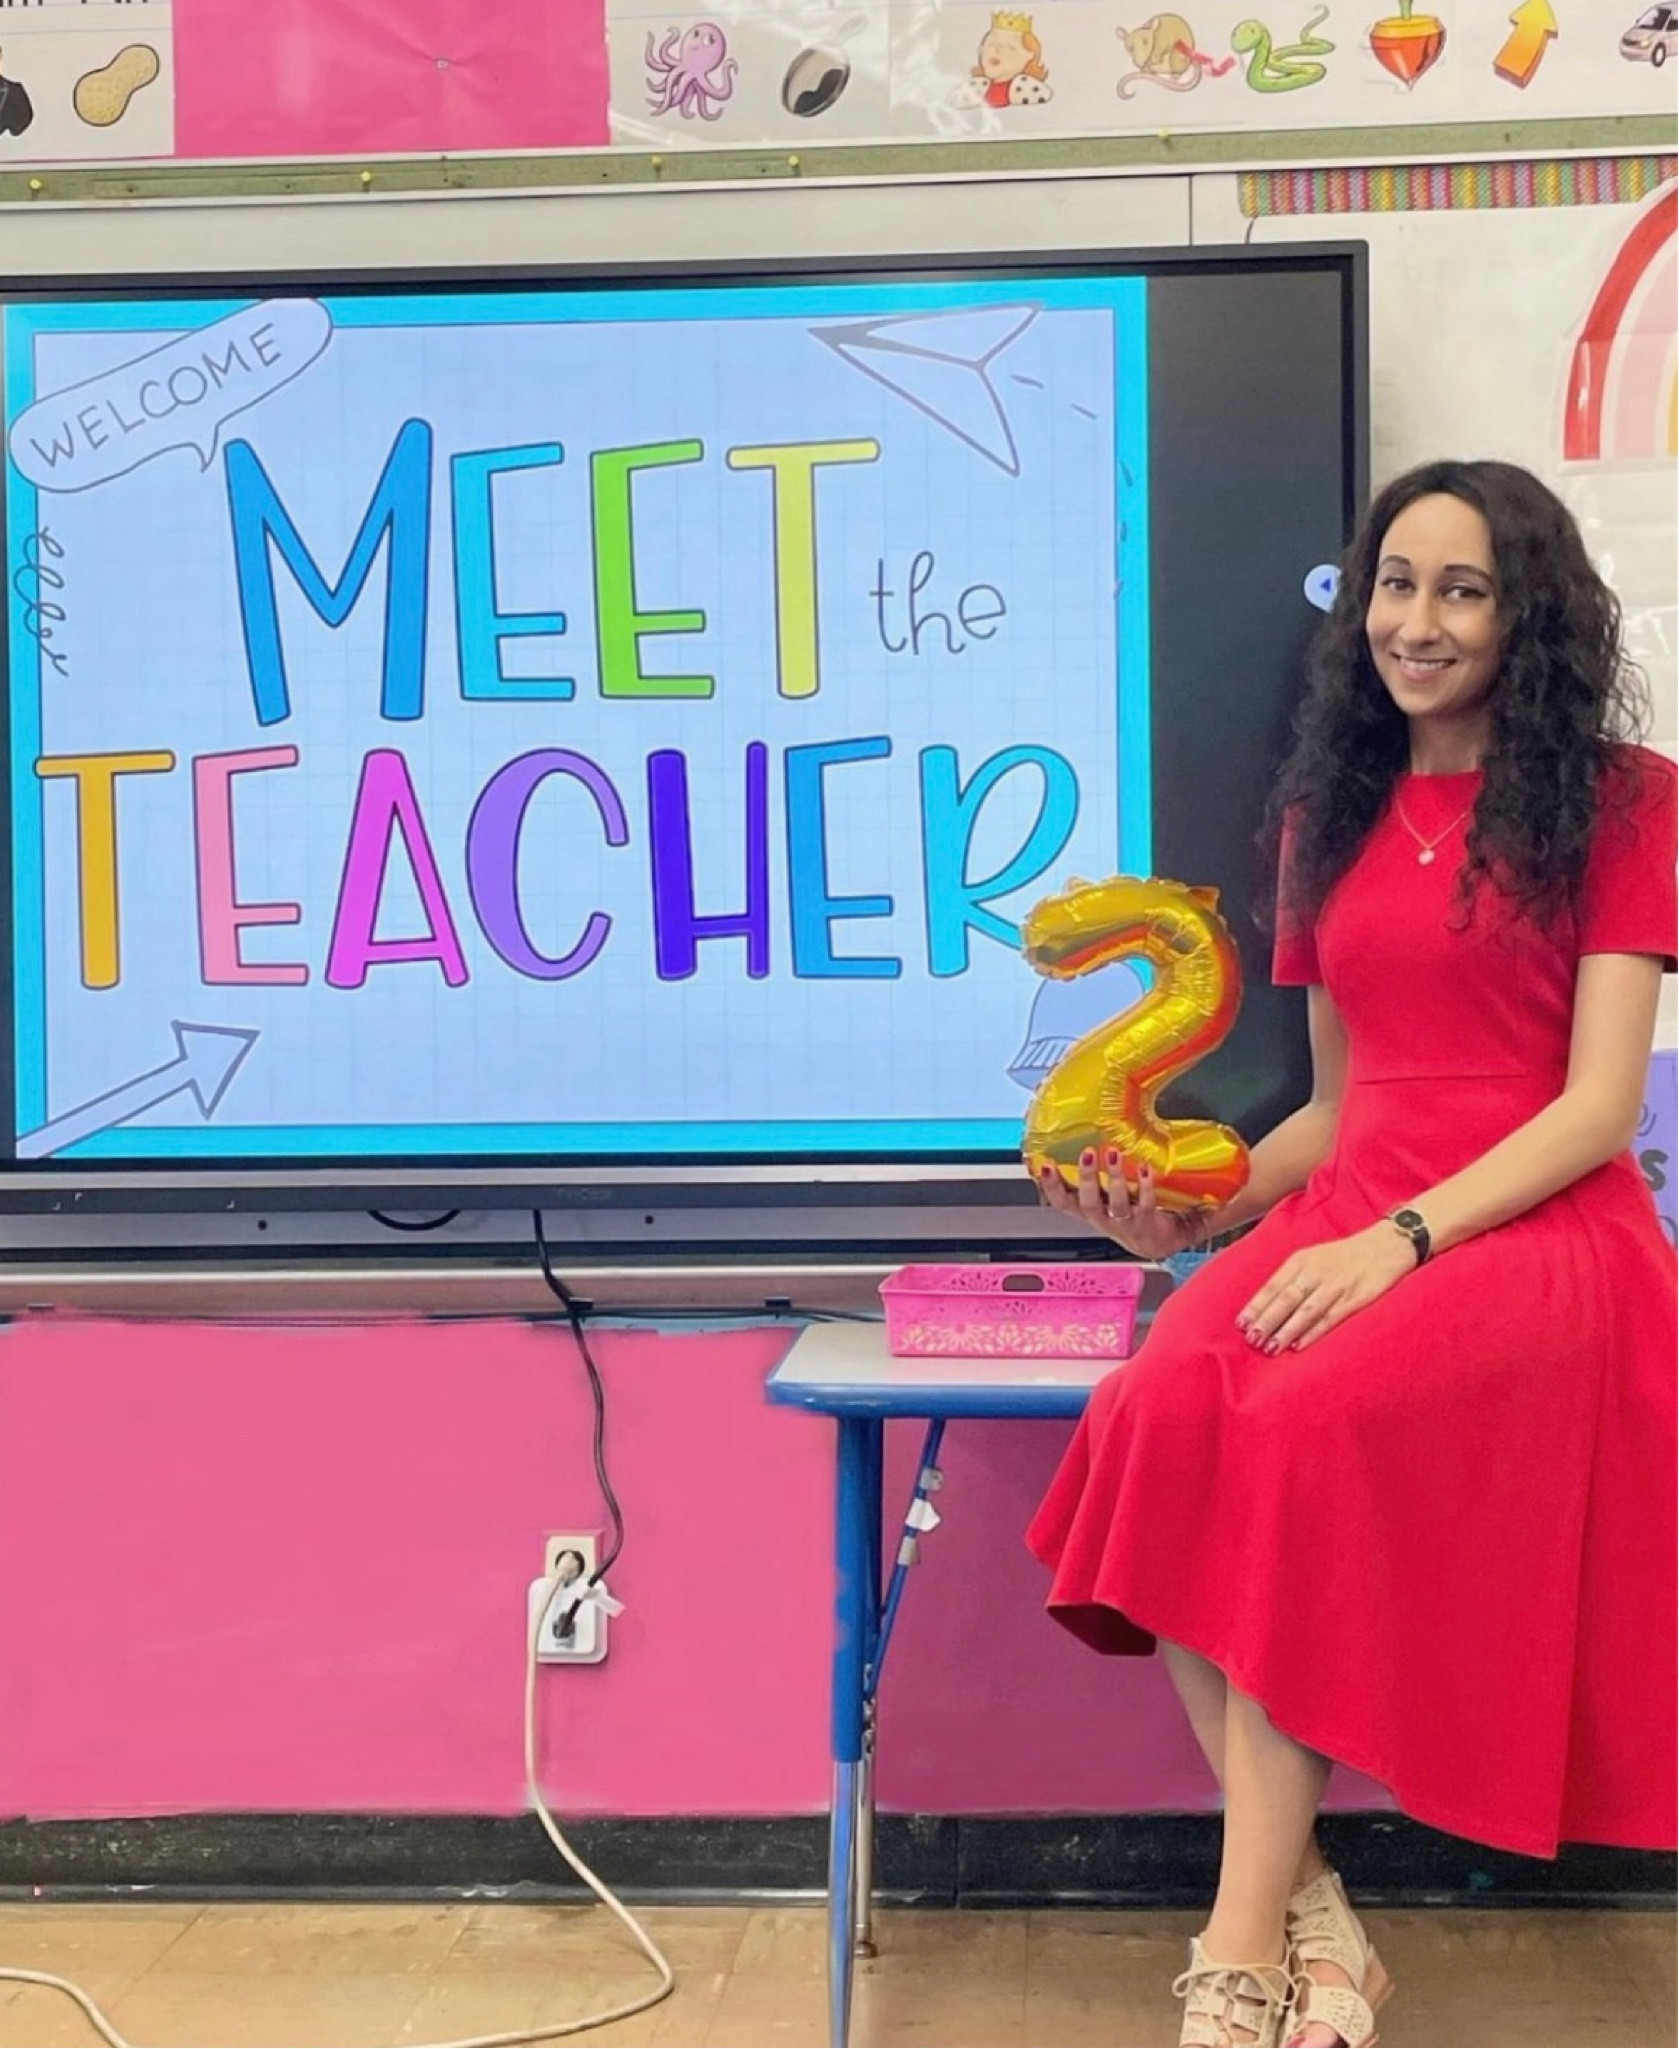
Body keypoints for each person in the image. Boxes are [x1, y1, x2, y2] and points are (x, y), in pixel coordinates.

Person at [1026, 459, 1677, 2049]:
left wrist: (1403, 1239)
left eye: (1463, 589)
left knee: (1304, 1434)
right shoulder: (1331, 809)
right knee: (1156, 1416)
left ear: (1532, 616)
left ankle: (1239, 1943)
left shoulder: (1630, 798)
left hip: (1536, 1226)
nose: (1419, 621)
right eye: (1397, 583)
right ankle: (1318, 1911)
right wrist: (1197, 1205)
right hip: (1357, 1201)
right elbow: (1335, 1102)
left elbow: (1597, 1106)